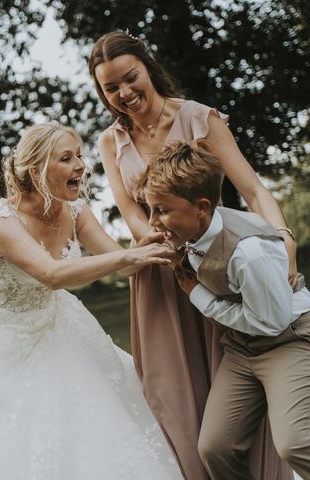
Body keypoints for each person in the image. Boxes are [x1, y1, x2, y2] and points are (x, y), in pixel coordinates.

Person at [0, 121, 182, 479]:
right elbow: (52, 275)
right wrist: (128, 258)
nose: (81, 166)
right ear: (37, 169)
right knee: (9, 437)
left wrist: (154, 239)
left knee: (91, 414)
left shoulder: (75, 210)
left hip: (54, 320)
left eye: (80, 156)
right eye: (66, 158)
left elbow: (121, 264)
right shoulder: (2, 223)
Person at [89, 30, 295, 479]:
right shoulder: (110, 141)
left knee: (233, 375)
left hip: (217, 264)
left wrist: (283, 234)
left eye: (131, 78)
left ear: (148, 68)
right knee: (171, 390)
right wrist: (159, 241)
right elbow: (129, 208)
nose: (124, 93)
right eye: (110, 88)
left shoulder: (199, 118)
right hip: (159, 272)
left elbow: (253, 189)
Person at [136, 140, 310, 479]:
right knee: (214, 447)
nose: (154, 221)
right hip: (243, 348)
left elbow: (270, 323)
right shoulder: (190, 233)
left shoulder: (250, 252)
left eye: (162, 210)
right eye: (152, 210)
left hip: (287, 340)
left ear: (201, 207)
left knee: (296, 442)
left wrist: (200, 296)